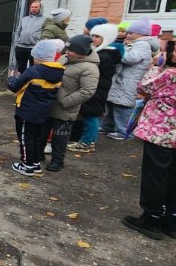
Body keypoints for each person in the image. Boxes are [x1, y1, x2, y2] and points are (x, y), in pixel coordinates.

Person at [122, 36, 176, 240]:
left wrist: (155, 65)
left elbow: (144, 87)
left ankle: (151, 218)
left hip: (160, 132)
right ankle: (173, 220)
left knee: (156, 176)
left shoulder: (173, 74)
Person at [7, 39, 64, 176]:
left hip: (26, 110)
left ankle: (26, 164)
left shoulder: (33, 72)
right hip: (44, 111)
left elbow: (15, 87)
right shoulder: (59, 72)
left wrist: (10, 79)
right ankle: (36, 162)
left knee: (26, 138)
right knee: (38, 137)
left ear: (38, 56)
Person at [44, 35, 99, 172]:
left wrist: (65, 102)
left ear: (81, 52)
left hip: (66, 108)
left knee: (60, 136)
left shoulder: (89, 69)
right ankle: (40, 155)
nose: (67, 52)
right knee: (43, 131)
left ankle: (57, 161)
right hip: (50, 103)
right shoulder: (64, 59)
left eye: (71, 50)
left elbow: (87, 91)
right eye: (67, 48)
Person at [69, 23, 120, 152]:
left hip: (97, 89)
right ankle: (85, 139)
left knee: (91, 116)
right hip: (93, 87)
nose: (93, 39)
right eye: (92, 36)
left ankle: (88, 142)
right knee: (87, 114)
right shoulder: (98, 52)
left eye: (97, 36)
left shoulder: (105, 56)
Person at [103, 18, 152, 140]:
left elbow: (131, 58)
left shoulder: (143, 45)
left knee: (123, 106)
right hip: (122, 79)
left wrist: (118, 50)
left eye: (131, 33)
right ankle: (107, 126)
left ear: (141, 34)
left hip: (129, 81)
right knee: (112, 103)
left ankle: (125, 131)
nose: (127, 35)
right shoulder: (135, 44)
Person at [11, 0, 44, 74]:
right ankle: (22, 81)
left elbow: (45, 33)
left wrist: (39, 44)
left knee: (34, 68)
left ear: (40, 8)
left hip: (34, 47)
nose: (33, 8)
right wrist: (16, 43)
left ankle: (31, 83)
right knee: (21, 67)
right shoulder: (24, 19)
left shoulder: (45, 20)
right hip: (20, 47)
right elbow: (17, 32)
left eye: (36, 7)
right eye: (32, 7)